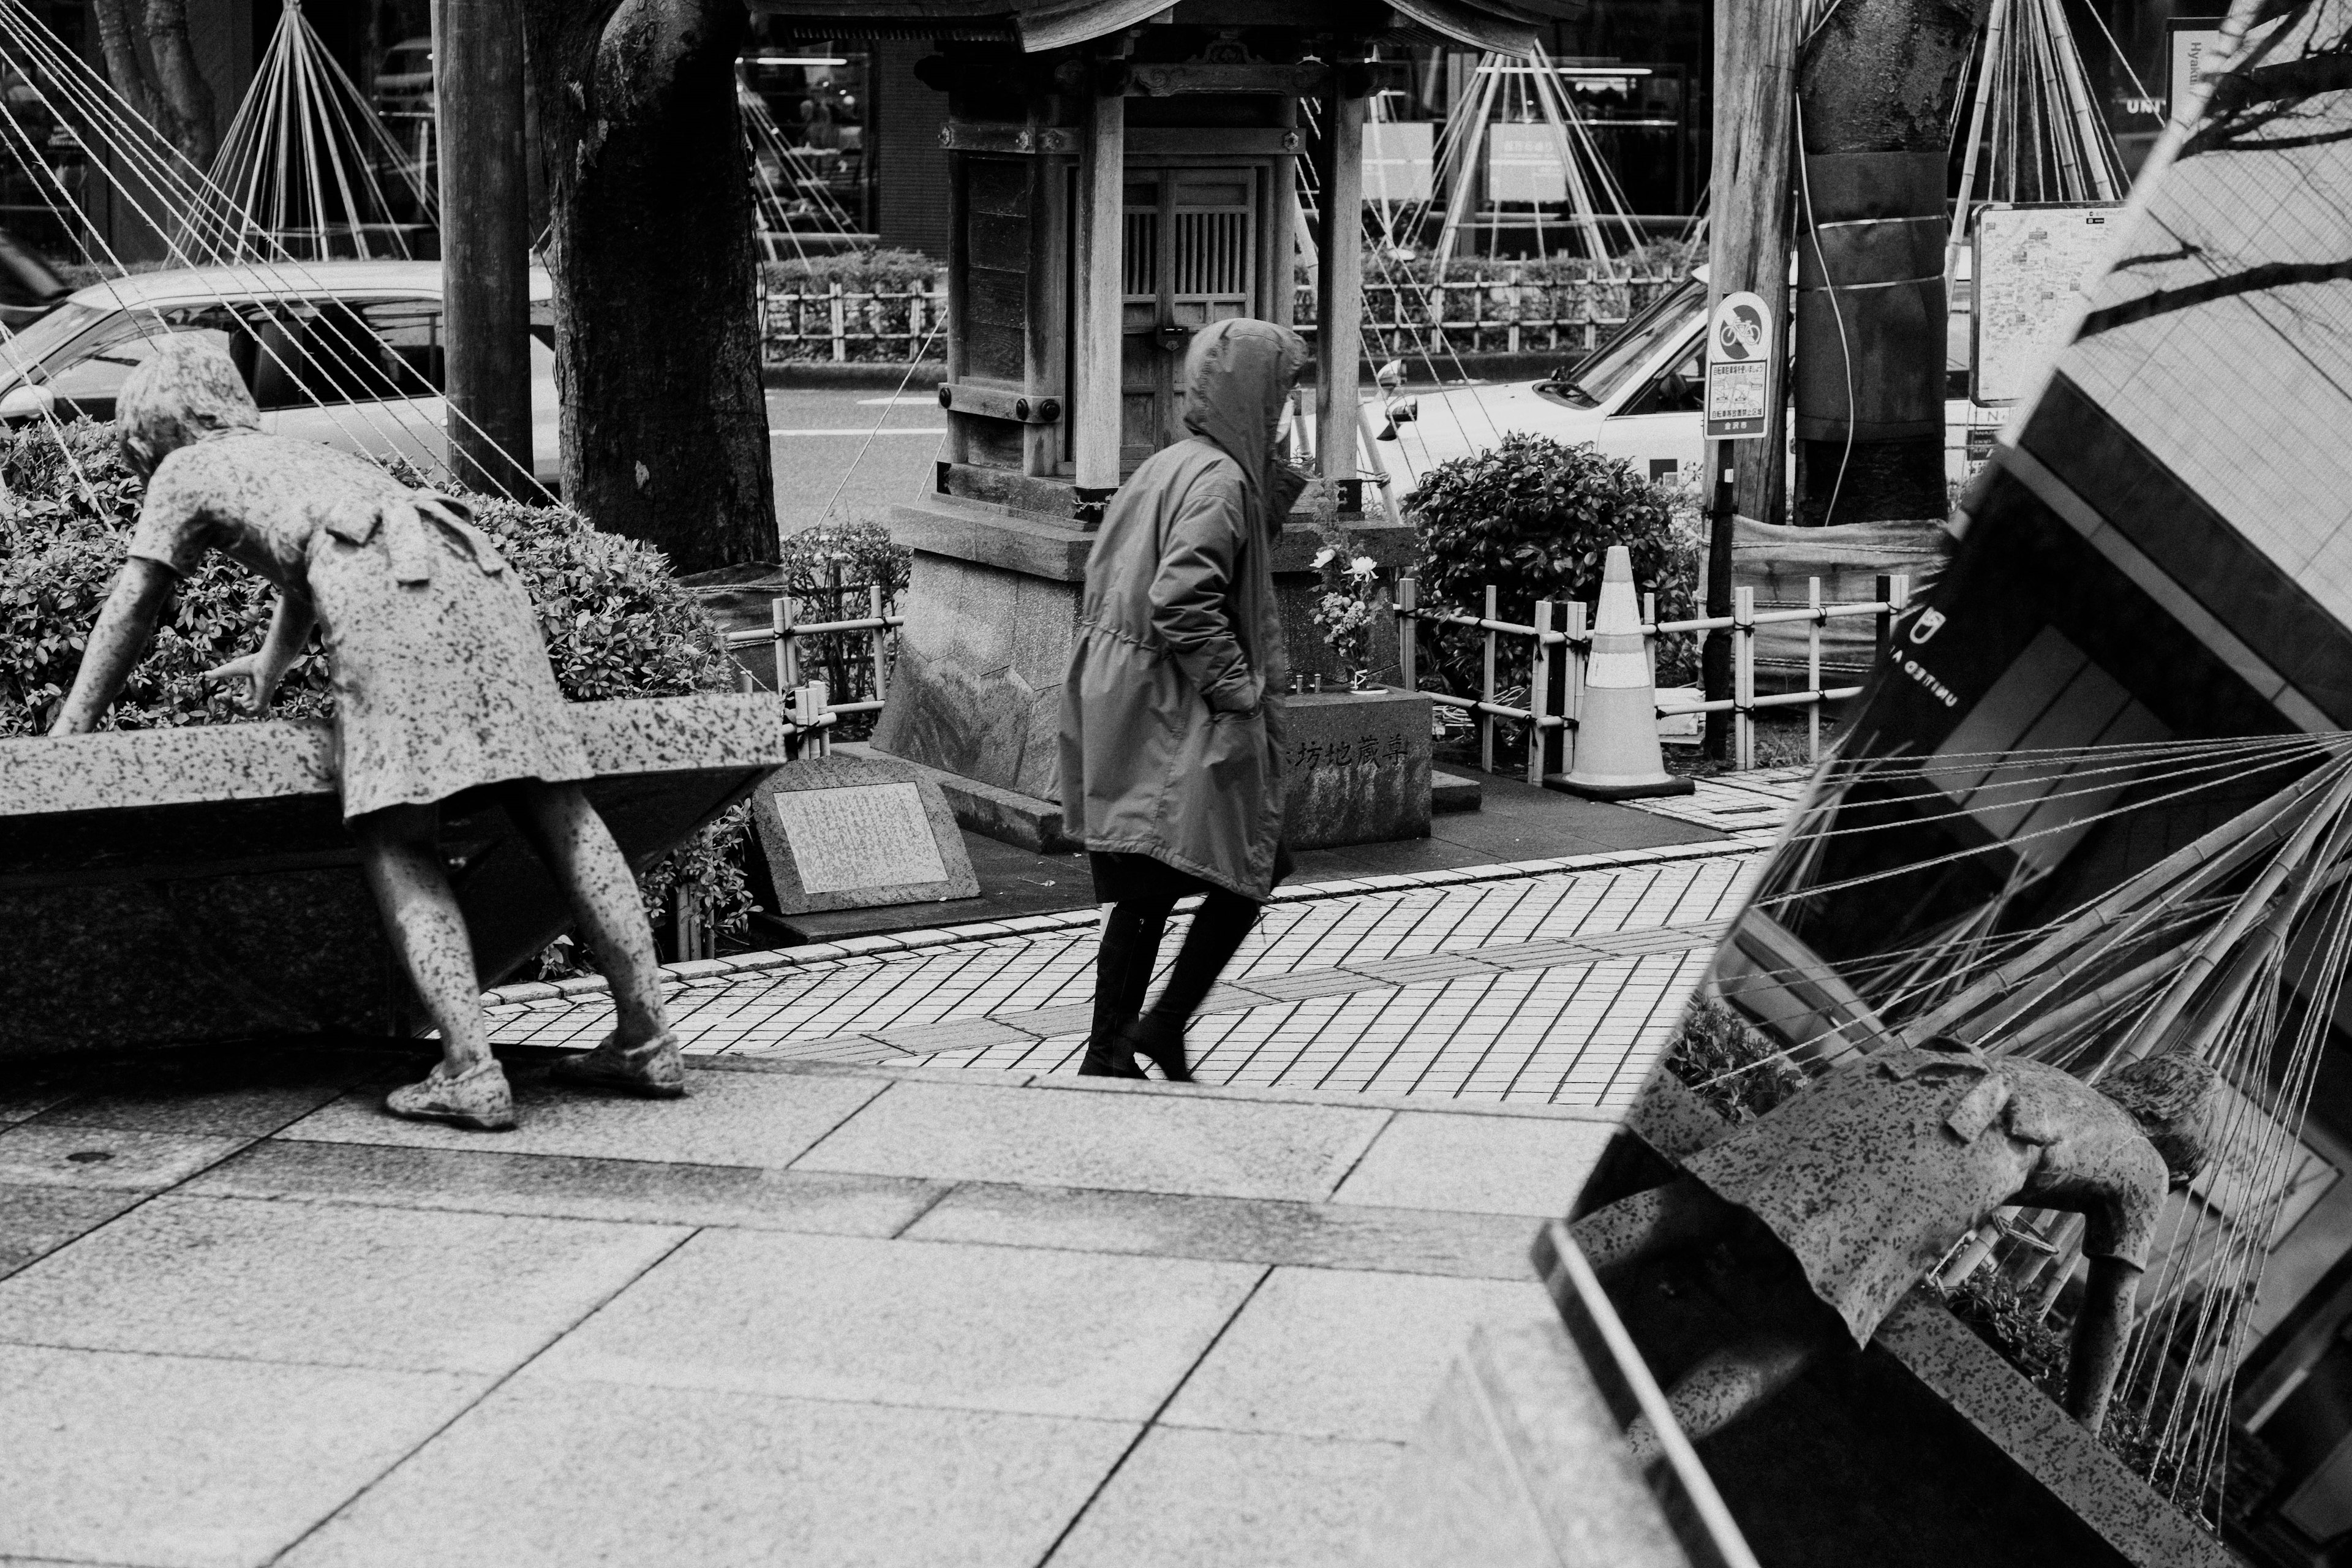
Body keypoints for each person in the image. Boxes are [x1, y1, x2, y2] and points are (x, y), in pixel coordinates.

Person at [48, 335, 682, 1131]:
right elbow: (314, 562)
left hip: (388, 590)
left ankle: (470, 1068)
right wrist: (273, 665)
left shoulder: (186, 468)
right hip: (473, 569)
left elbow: (136, 600)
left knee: (398, 834)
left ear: (154, 428)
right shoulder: (297, 458)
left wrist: (72, 725)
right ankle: (649, 1039)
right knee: (558, 806)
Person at [1540, 1040, 2221, 1460]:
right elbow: (2110, 1312)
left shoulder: (2065, 1084)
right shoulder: (2148, 1167)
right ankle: (1625, 1457)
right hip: (1955, 1151)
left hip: (1900, 1078)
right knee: (1801, 1328)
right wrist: (2086, 1433)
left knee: (1695, 1205)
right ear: (2183, 1150)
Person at [1057, 317, 1311, 1081]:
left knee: (1149, 878)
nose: (1285, 410)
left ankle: (1117, 1047)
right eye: (1280, 394)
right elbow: (1183, 596)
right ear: (1253, 396)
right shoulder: (1221, 480)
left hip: (1131, 692)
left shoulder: (1176, 464)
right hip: (1176, 702)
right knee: (1244, 868)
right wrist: (1236, 690)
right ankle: (1157, 1028)